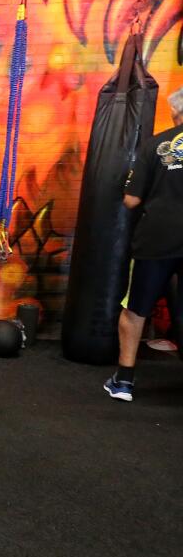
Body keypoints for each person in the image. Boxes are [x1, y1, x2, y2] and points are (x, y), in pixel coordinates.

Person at [104, 86, 183, 401]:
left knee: (135, 309)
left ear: (176, 112)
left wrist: (127, 181)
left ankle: (124, 381)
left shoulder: (157, 144)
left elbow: (132, 200)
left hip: (158, 238)